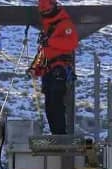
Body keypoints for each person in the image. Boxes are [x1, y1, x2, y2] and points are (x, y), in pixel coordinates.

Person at [28, 0, 78, 135]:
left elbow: (72, 43)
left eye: (47, 11)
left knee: (56, 101)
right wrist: (35, 68)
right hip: (48, 71)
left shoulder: (65, 24)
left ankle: (60, 135)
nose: (46, 14)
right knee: (49, 106)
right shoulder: (46, 29)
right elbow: (43, 52)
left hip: (59, 68)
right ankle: (56, 135)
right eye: (43, 12)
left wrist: (50, 41)